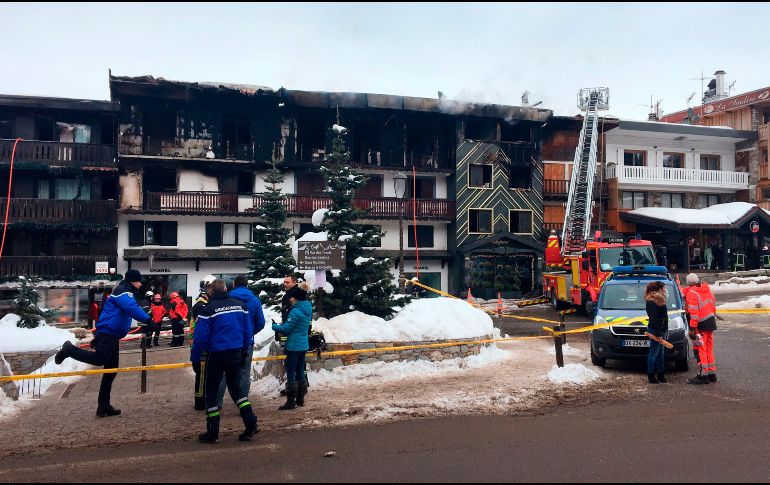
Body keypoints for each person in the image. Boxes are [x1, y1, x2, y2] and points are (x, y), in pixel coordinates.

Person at [54, 269, 151, 417]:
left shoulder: (124, 291)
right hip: (109, 333)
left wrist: (98, 336)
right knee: (100, 359)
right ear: (133, 281)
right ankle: (69, 350)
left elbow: (108, 314)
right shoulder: (123, 291)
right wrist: (148, 320)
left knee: (111, 370)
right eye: (139, 281)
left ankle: (103, 405)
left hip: (111, 334)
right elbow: (131, 308)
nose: (141, 283)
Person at [191, 279, 258, 444]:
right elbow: (247, 331)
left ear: (211, 292)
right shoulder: (240, 306)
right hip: (236, 353)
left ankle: (212, 432)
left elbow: (200, 338)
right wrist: (243, 351)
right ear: (226, 289)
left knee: (212, 393)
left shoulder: (208, 310)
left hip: (217, 355)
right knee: (237, 391)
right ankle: (251, 423)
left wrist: (195, 357)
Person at [272, 283, 312, 410]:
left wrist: (275, 327)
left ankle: (291, 401)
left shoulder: (295, 311)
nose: (290, 299)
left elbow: (287, 329)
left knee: (290, 372)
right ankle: (300, 398)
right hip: (303, 345)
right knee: (300, 370)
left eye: (292, 297)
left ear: (296, 298)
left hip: (293, 346)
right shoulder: (308, 307)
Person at [228, 275, 265, 399]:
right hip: (247, 341)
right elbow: (260, 322)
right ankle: (243, 402)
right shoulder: (254, 300)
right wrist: (251, 332)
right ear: (247, 284)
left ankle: (217, 404)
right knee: (244, 373)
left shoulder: (227, 298)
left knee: (223, 372)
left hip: (229, 341)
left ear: (234, 285)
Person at [682, 273, 718, 384]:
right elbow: (713, 308)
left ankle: (703, 376)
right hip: (710, 323)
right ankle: (712, 374)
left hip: (700, 325)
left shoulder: (692, 294)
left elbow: (694, 313)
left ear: (688, 283)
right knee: (708, 348)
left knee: (701, 350)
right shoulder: (707, 291)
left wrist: (692, 328)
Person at [191, 275, 216, 411]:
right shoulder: (201, 306)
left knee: (204, 374)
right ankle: (199, 402)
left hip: (203, 344)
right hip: (201, 345)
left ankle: (203, 398)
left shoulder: (202, 303)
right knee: (201, 375)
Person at [644, 281, 668, 384]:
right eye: (664, 288)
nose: (665, 290)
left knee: (660, 353)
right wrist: (658, 334)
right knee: (654, 352)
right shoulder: (652, 301)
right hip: (655, 330)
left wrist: (664, 329)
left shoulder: (660, 299)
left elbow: (663, 317)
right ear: (659, 289)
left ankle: (661, 374)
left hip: (661, 329)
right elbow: (654, 318)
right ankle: (651, 375)